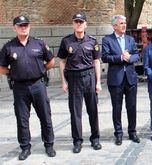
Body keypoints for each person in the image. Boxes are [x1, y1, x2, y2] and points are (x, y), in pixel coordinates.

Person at [0, 16, 56, 160]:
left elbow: (51, 61)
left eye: (25, 25)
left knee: (45, 116)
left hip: (38, 85)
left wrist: (40, 70)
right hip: (19, 88)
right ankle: (25, 147)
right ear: (15, 28)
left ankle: (49, 145)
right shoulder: (8, 47)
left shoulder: (39, 43)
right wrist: (14, 73)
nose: (23, 27)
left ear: (29, 27)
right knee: (22, 119)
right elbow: (2, 67)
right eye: (20, 25)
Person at [58, 12, 102, 153]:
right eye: (76, 22)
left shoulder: (92, 41)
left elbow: (96, 61)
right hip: (74, 79)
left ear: (85, 24)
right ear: (73, 24)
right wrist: (63, 81)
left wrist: (98, 82)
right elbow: (62, 61)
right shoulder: (66, 41)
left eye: (81, 22)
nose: (79, 24)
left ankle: (95, 139)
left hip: (89, 78)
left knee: (93, 110)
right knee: (75, 112)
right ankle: (77, 141)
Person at [101, 15, 140, 145]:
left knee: (132, 107)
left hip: (130, 79)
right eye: (121, 23)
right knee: (117, 108)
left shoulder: (130, 39)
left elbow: (137, 55)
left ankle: (132, 132)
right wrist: (120, 58)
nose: (124, 25)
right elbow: (105, 57)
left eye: (125, 23)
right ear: (114, 26)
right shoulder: (107, 40)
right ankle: (118, 134)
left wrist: (130, 58)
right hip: (116, 79)